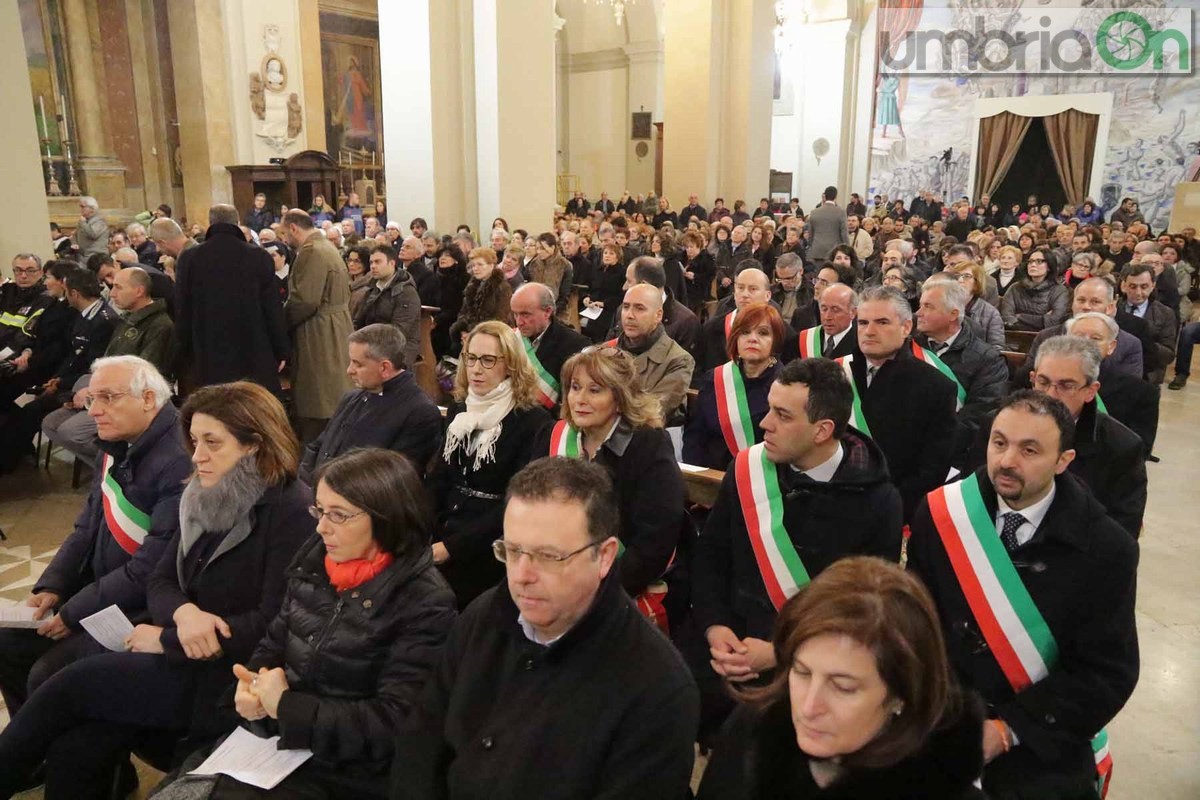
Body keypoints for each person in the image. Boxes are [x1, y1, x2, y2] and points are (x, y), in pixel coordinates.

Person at [0, 380, 315, 799]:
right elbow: (160, 579)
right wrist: (184, 615)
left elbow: (271, 625)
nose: (197, 455)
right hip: (182, 649)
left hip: (229, 676)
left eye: (212, 443)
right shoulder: (202, 491)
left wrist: (165, 639)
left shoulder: (290, 511)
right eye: (194, 440)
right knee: (78, 742)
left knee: (69, 684)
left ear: (254, 445)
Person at [154, 449, 457, 799]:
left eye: (338, 515)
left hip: (350, 771)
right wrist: (251, 684)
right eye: (321, 510)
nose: (321, 526)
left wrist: (285, 707)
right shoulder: (318, 561)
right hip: (282, 742)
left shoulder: (425, 603)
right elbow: (276, 641)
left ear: (387, 518)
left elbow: (394, 722)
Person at [390, 457, 699, 800]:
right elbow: (422, 741)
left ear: (605, 556)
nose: (521, 574)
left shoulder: (658, 687)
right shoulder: (483, 616)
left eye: (549, 556)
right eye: (512, 550)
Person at [908, 391, 1138, 799]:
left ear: (1063, 461)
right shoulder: (941, 513)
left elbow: (1106, 673)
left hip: (1039, 728)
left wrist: (1007, 730)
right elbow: (913, 621)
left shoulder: (1107, 548)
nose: (1007, 461)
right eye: (999, 443)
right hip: (941, 711)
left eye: (1029, 450)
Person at [690, 359, 904, 739]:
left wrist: (779, 653)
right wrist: (715, 627)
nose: (764, 423)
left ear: (822, 430)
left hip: (810, 666)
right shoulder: (748, 469)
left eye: (782, 415)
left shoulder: (878, 501)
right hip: (727, 644)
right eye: (770, 408)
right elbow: (711, 556)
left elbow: (867, 609)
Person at [0, 357, 190, 726]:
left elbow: (150, 568)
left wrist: (74, 612)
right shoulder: (117, 442)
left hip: (145, 607)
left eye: (107, 397)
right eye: (91, 400)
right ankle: (36, 749)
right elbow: (87, 525)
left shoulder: (178, 460)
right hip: (104, 589)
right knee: (7, 643)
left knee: (50, 672)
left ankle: (96, 769)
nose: (95, 411)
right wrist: (53, 584)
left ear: (148, 398)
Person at [698, 557, 986, 800]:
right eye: (801, 672)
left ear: (902, 694)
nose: (808, 707)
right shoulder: (753, 729)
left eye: (843, 687)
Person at [532, 347, 685, 612]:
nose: (579, 399)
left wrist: (591, 593)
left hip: (617, 587)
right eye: (575, 387)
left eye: (594, 390)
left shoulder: (648, 445)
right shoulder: (553, 436)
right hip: (553, 576)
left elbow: (654, 543)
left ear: (619, 398)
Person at [430, 321, 552, 607]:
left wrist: (452, 547)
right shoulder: (460, 409)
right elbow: (439, 477)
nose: (475, 368)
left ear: (510, 365)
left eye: (488, 360)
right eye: (470, 358)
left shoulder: (532, 421)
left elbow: (517, 503)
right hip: (443, 530)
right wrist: (425, 529)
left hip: (492, 546)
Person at [1012, 335, 1146, 537]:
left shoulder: (1122, 446)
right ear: (1032, 379)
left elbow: (1122, 533)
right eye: (1043, 382)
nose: (1051, 395)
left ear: (1091, 391)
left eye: (1066, 386)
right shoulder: (998, 426)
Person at [843, 287, 957, 518]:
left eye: (882, 322)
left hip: (890, 511)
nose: (869, 331)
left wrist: (886, 506)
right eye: (863, 322)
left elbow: (932, 470)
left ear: (906, 327)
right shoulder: (834, 373)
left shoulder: (936, 387)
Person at [299, 324, 442, 485]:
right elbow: (318, 447)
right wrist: (306, 488)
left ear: (384, 367)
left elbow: (392, 479)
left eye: (357, 364)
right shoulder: (351, 397)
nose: (349, 370)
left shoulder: (420, 412)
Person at [175, 205, 289, 396]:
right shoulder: (258, 256)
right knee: (252, 405)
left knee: (217, 405)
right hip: (253, 347)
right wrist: (281, 349)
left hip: (208, 349)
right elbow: (272, 307)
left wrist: (184, 353)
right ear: (237, 222)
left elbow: (182, 309)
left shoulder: (190, 258)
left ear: (210, 223)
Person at [914, 274, 1009, 467]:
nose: (918, 313)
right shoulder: (907, 347)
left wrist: (931, 442)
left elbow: (978, 416)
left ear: (953, 314)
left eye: (928, 307)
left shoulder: (988, 360)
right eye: (921, 305)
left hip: (952, 457)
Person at [281, 210, 354, 440]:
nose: (284, 240)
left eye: (284, 233)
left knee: (319, 398)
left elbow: (305, 300)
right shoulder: (327, 247)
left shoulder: (311, 251)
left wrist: (279, 323)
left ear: (294, 228)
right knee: (333, 391)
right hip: (335, 325)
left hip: (319, 331)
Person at [684, 304, 784, 469]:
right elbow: (694, 438)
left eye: (763, 333)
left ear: (776, 341)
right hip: (711, 476)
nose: (752, 338)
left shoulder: (786, 385)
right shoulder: (714, 379)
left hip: (764, 481)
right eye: (745, 332)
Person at [611, 283, 695, 424]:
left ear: (658, 315)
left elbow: (652, 414)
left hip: (644, 438)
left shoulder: (679, 360)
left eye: (639, 308)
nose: (629, 315)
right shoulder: (606, 352)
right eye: (626, 307)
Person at [511, 283, 589, 414]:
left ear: (547, 311)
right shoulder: (510, 338)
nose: (519, 322)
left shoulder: (575, 345)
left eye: (525, 315)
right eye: (515, 314)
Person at [353, 244, 421, 370]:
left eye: (378, 262)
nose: (373, 266)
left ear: (392, 263)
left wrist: (367, 339)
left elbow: (398, 332)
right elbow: (358, 321)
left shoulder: (406, 292)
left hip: (400, 348)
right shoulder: (372, 289)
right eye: (371, 262)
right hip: (373, 343)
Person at [699, 265, 776, 373]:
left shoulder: (779, 330)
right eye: (740, 288)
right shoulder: (712, 328)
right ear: (734, 293)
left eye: (753, 289)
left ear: (767, 296)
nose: (745, 294)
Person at [1120, 262, 1177, 384]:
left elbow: (1169, 355)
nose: (1139, 292)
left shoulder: (1165, 314)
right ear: (1123, 286)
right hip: (1115, 371)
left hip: (1148, 375)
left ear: (1153, 286)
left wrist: (1144, 342)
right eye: (1133, 286)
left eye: (1144, 286)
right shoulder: (1113, 308)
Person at [449, 247, 513, 348]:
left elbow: (501, 318)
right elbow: (464, 312)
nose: (475, 268)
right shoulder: (472, 286)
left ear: (491, 265)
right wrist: (463, 332)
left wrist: (474, 334)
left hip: (493, 340)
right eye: (473, 265)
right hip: (471, 336)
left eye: (480, 264)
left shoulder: (502, 287)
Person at [1000, 248, 1070, 331]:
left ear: (1049, 267)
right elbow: (1007, 318)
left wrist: (1020, 316)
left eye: (1039, 261)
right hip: (1015, 337)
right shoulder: (1015, 288)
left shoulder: (1059, 290)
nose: (1033, 265)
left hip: (1046, 338)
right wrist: (1042, 319)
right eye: (1030, 261)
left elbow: (1054, 321)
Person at [943, 259, 1005, 348]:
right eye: (956, 276)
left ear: (976, 284)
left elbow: (997, 347)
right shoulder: (943, 305)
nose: (960, 280)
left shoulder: (991, 313)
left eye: (966, 276)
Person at [527, 233, 574, 320]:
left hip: (557, 311)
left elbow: (564, 294)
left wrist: (552, 311)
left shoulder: (565, 265)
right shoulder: (533, 264)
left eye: (542, 248)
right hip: (535, 309)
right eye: (537, 248)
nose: (538, 252)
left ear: (552, 248)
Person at [807, 187, 850, 262]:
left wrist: (811, 246)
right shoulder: (841, 212)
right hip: (835, 251)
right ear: (836, 196)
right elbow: (844, 233)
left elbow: (810, 234)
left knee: (820, 273)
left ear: (825, 196)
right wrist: (848, 250)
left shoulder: (814, 212)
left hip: (817, 250)